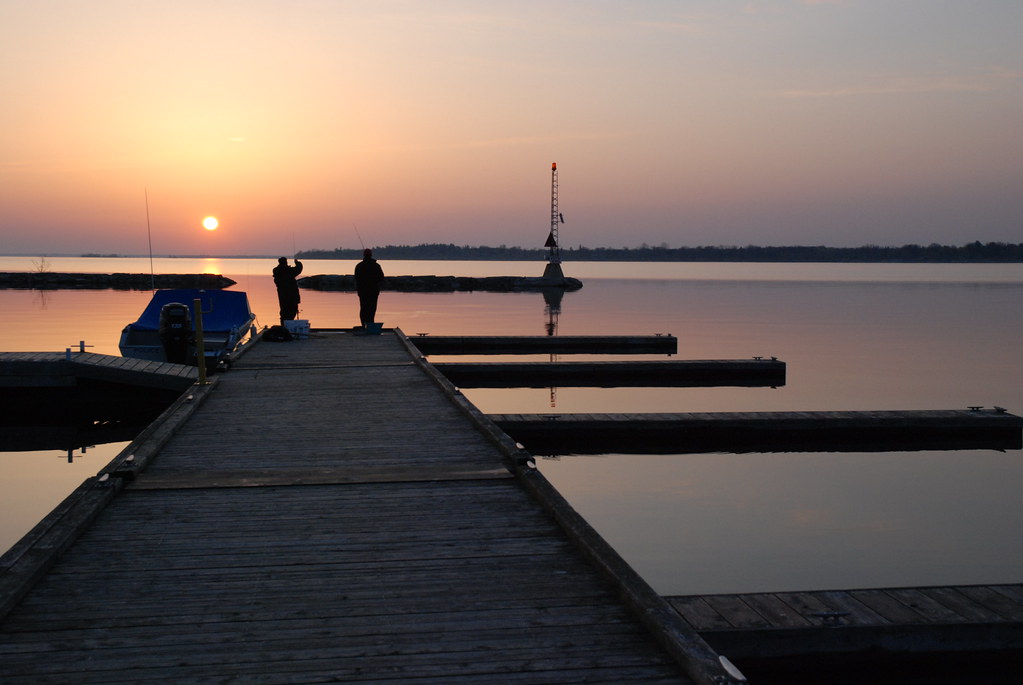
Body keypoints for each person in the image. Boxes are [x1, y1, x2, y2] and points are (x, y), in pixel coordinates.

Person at [354, 248, 384, 328]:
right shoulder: (376, 266)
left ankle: (364, 325)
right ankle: (370, 325)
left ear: (364, 255)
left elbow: (356, 278)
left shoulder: (359, 266)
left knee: (363, 309)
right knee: (372, 309)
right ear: (371, 255)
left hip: (362, 291)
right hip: (373, 291)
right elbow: (381, 278)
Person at [272, 257, 303, 323]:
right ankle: (288, 327)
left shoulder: (276, 271)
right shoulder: (289, 271)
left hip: (282, 295)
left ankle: (284, 327)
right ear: (286, 262)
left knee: (284, 311)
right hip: (292, 295)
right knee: (292, 311)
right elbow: (298, 269)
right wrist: (297, 263)